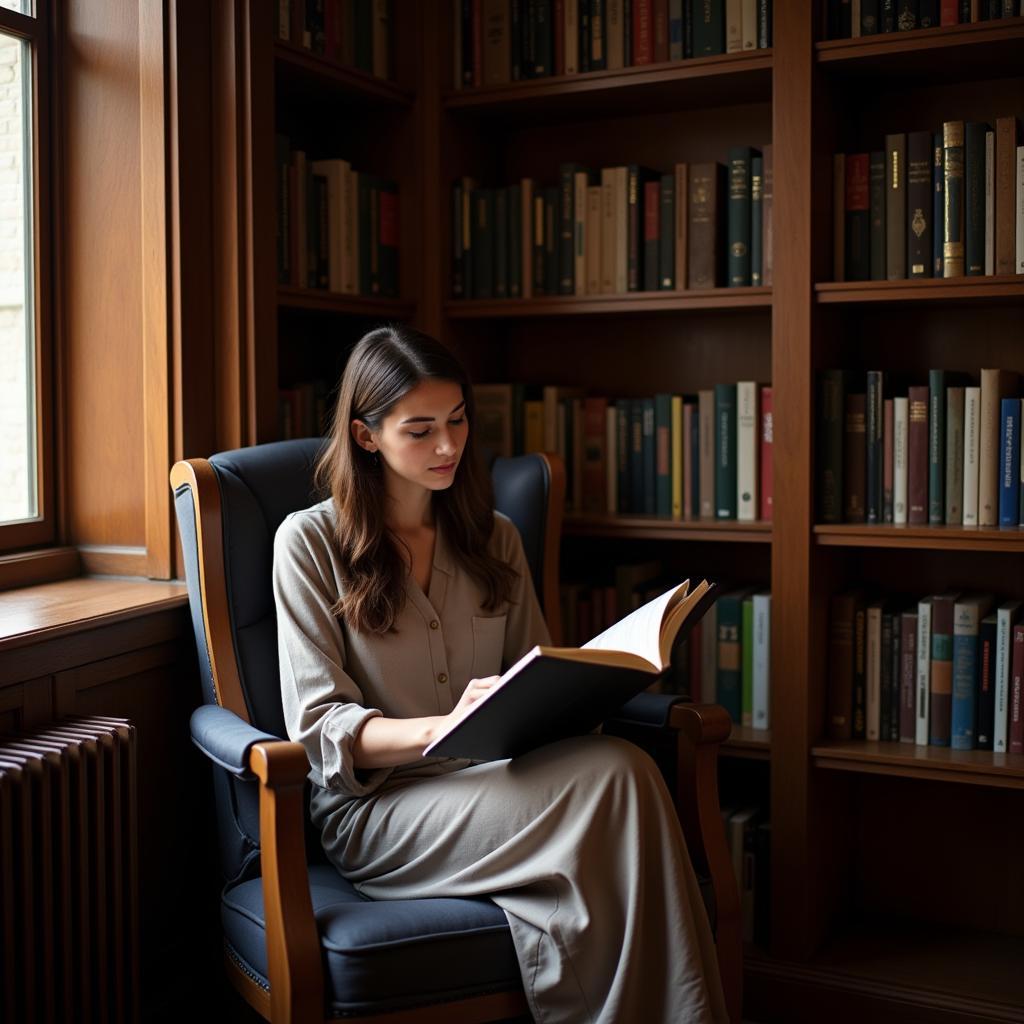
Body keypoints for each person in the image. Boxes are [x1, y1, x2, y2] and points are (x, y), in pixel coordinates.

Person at [273, 324, 728, 1023]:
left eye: (456, 421)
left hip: (493, 784)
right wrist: (445, 727)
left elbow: (536, 676)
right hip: (379, 814)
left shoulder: (495, 539)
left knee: (623, 770)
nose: (449, 446)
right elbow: (320, 731)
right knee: (618, 778)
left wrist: (590, 683)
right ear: (366, 436)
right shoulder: (307, 544)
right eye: (420, 430)